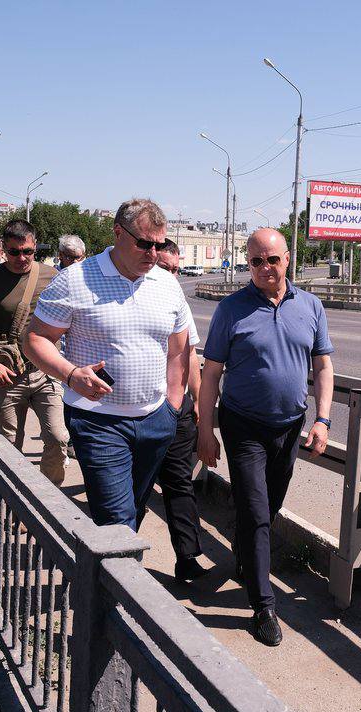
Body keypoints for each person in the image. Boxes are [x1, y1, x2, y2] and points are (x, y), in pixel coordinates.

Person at [198, 227, 334, 647]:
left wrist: (323, 420)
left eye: (271, 259)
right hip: (244, 426)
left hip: (290, 427)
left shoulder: (310, 305)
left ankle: (244, 551)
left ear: (287, 259)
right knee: (257, 512)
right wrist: (206, 429)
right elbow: (211, 375)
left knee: (268, 506)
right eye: (255, 261)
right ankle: (263, 606)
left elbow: (323, 367)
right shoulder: (231, 310)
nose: (264, 268)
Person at [23, 199, 191, 534]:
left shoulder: (168, 284)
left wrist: (171, 407)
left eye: (158, 245)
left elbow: (179, 351)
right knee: (117, 522)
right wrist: (71, 374)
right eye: (143, 243)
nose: (153, 253)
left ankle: (102, 580)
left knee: (133, 511)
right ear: (117, 232)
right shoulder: (75, 280)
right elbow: (35, 340)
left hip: (156, 421)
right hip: (98, 422)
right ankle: (118, 582)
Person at [0, 220, 69, 485]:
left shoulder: (53, 277)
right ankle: (10, 501)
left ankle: (47, 500)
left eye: (27, 252)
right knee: (8, 446)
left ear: (35, 248)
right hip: (7, 376)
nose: (21, 258)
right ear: (3, 249)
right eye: (14, 252)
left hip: (46, 373)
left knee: (58, 439)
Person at [137, 239, 207, 579]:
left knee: (180, 482)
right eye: (167, 269)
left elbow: (190, 355)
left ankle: (188, 559)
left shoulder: (176, 299)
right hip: (141, 410)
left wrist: (198, 404)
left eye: (177, 270)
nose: (172, 276)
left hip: (176, 409)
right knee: (138, 484)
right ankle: (116, 557)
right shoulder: (133, 296)